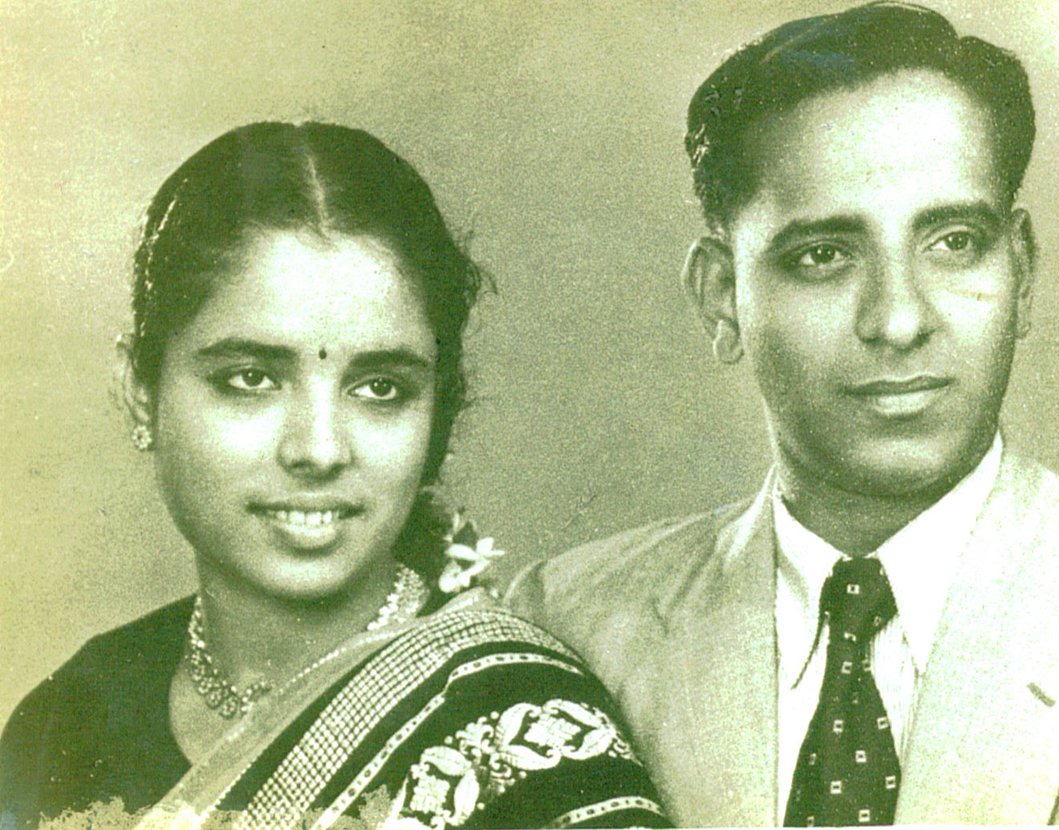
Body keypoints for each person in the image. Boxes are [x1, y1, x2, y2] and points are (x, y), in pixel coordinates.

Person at [505, 3, 1059, 826]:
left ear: (1021, 270)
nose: (900, 320)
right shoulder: (569, 624)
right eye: (824, 256)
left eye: (952, 242)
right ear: (722, 296)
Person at [0, 122, 668, 829]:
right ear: (140, 389)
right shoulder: (71, 719)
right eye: (251, 378)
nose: (318, 449)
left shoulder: (526, 737)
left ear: (439, 412)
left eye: (380, 388)